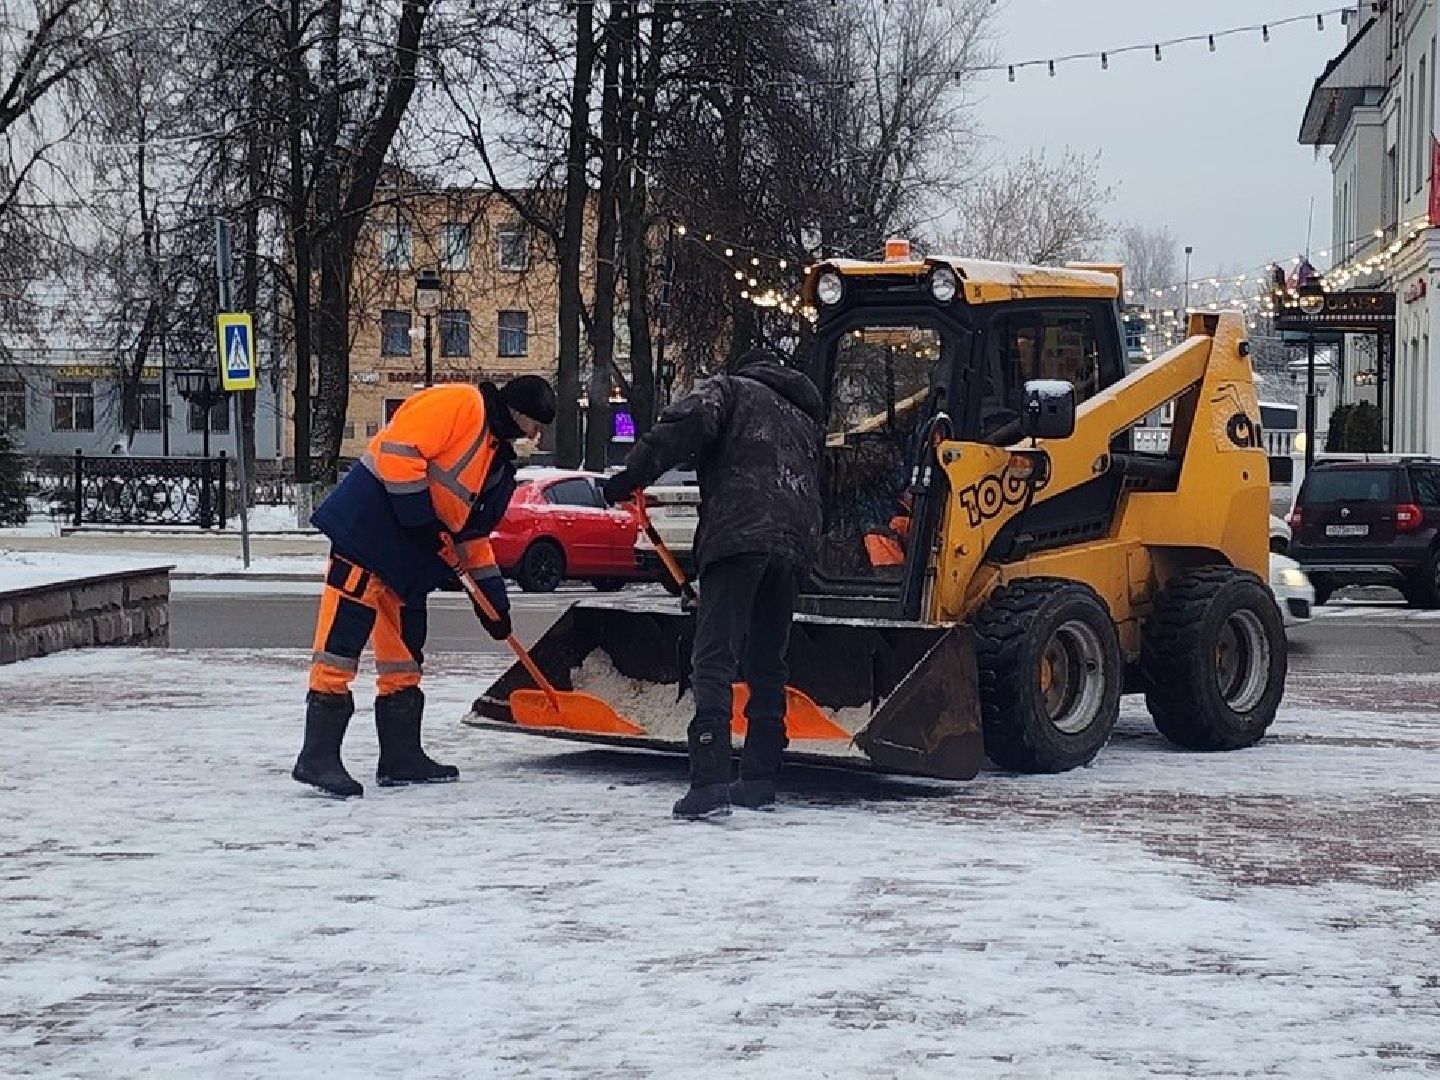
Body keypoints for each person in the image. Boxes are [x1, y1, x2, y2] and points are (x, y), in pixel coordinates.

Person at [293, 375, 557, 799]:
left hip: (408, 562)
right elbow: (399, 452)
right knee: (341, 643)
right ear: (518, 412)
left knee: (403, 656)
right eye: (535, 425)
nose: (535, 436)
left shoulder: (497, 465)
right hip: (367, 534)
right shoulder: (461, 404)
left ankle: (401, 757)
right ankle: (317, 757)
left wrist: (492, 601)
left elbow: (471, 537)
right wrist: (419, 518)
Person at [602, 348, 823, 819]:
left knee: (714, 659)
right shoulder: (803, 418)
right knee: (767, 661)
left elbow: (684, 424)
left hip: (740, 534)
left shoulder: (731, 390)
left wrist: (629, 476)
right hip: (793, 544)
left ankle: (709, 782)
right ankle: (759, 778)